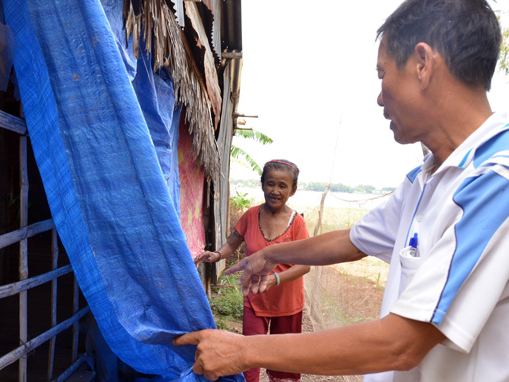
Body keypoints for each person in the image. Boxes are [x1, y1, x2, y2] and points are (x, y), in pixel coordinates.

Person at [174, 0, 508, 381]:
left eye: (382, 74)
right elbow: (352, 241)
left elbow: (401, 343)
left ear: (423, 64)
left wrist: (244, 349)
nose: (380, 97)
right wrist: (271, 254)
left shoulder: (496, 182)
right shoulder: (426, 178)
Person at [195, 159, 310, 382]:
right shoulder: (251, 215)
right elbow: (233, 242)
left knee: (282, 363)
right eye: (270, 184)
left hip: (288, 304)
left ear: (293, 190)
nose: (275, 191)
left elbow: (304, 265)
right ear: (262, 185)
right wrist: (217, 255)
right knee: (248, 357)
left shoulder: (297, 224)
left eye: (282, 186)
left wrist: (274, 279)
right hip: (255, 299)